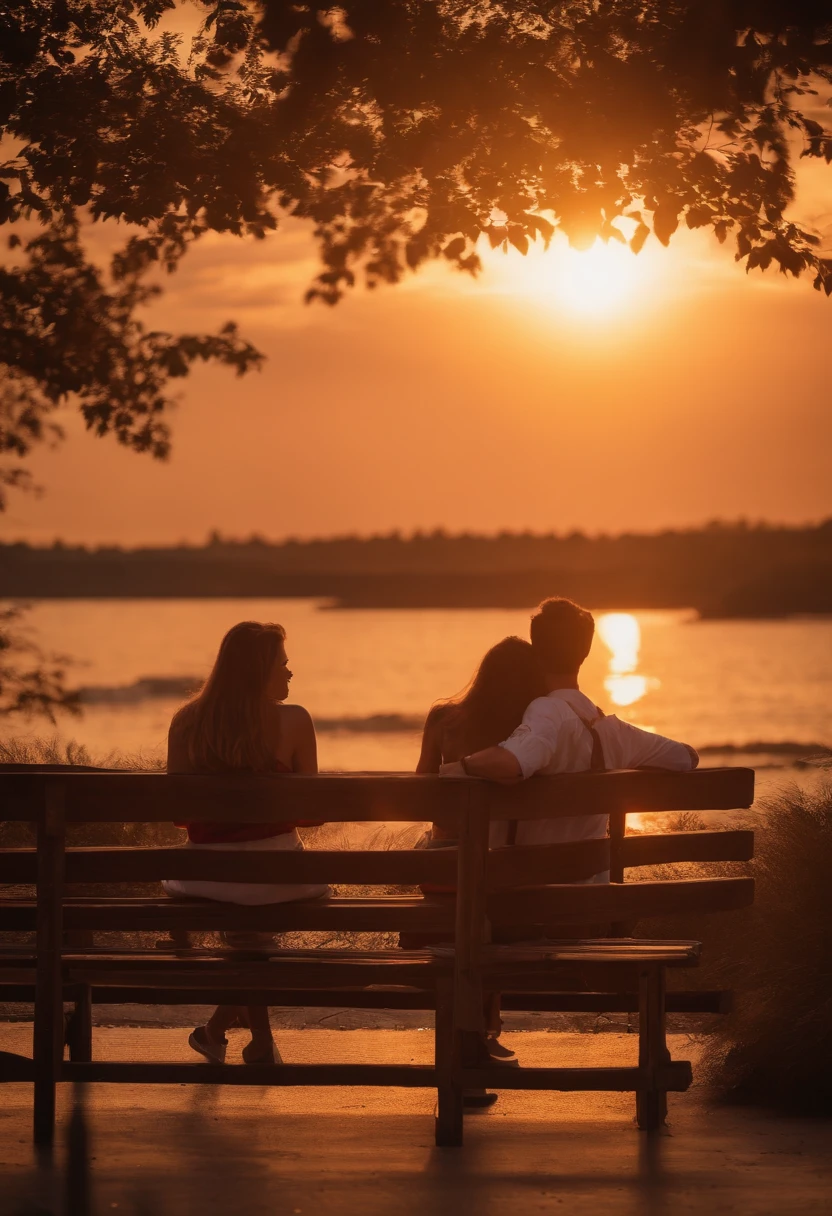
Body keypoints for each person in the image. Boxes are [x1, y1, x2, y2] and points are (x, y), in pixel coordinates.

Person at [163, 620, 326, 1066]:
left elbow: (180, 816)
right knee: (257, 911)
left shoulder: (187, 722)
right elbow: (314, 813)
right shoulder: (295, 721)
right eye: (284, 665)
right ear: (260, 671)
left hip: (207, 876)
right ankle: (247, 1041)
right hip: (278, 877)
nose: (290, 674)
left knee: (248, 931)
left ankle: (231, 1036)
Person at [441, 598, 699, 858]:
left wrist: (461, 767)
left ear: (536, 650)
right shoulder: (617, 731)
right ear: (586, 652)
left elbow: (512, 763)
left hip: (533, 890)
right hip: (595, 887)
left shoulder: (547, 711)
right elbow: (687, 756)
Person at [411, 636, 548, 1070]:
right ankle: (481, 1033)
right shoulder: (523, 734)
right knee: (494, 905)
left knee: (476, 904)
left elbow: (420, 795)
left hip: (441, 869)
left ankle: (479, 1032)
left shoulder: (442, 718)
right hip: (495, 874)